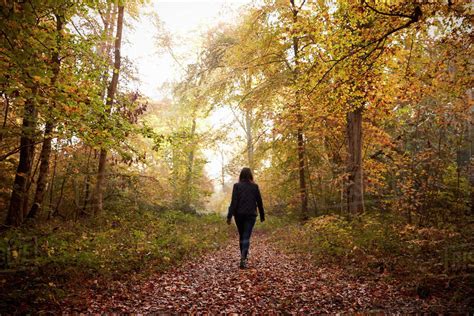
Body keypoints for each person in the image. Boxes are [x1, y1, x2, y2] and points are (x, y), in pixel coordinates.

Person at [226, 167, 265, 269]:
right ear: (250, 175)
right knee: (246, 236)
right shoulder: (255, 186)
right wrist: (262, 215)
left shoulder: (237, 186)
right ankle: (244, 257)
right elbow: (259, 202)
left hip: (239, 215)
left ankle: (243, 257)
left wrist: (229, 216)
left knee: (241, 236)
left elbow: (234, 202)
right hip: (251, 215)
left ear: (241, 175)